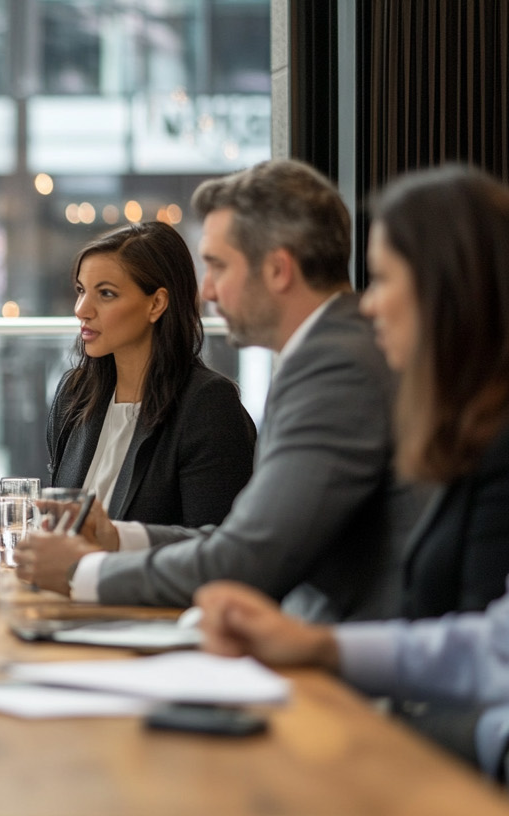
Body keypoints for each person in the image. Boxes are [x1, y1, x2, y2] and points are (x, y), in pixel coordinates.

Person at [194, 165, 509, 780]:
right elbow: (492, 643)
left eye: (386, 278)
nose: (368, 303)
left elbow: (488, 661)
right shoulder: (471, 425)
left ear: (449, 291)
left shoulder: (343, 368)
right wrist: (320, 650)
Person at [20, 159, 419, 622]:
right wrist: (115, 539)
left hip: (345, 660)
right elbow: (239, 540)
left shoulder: (334, 368)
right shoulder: (320, 360)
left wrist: (81, 571)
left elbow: (250, 560)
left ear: (277, 270)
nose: (206, 290)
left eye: (218, 266)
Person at [48, 221, 255, 526]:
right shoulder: (75, 393)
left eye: (105, 294)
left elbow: (214, 551)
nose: (81, 308)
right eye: (81, 290)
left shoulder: (207, 405)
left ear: (156, 303)